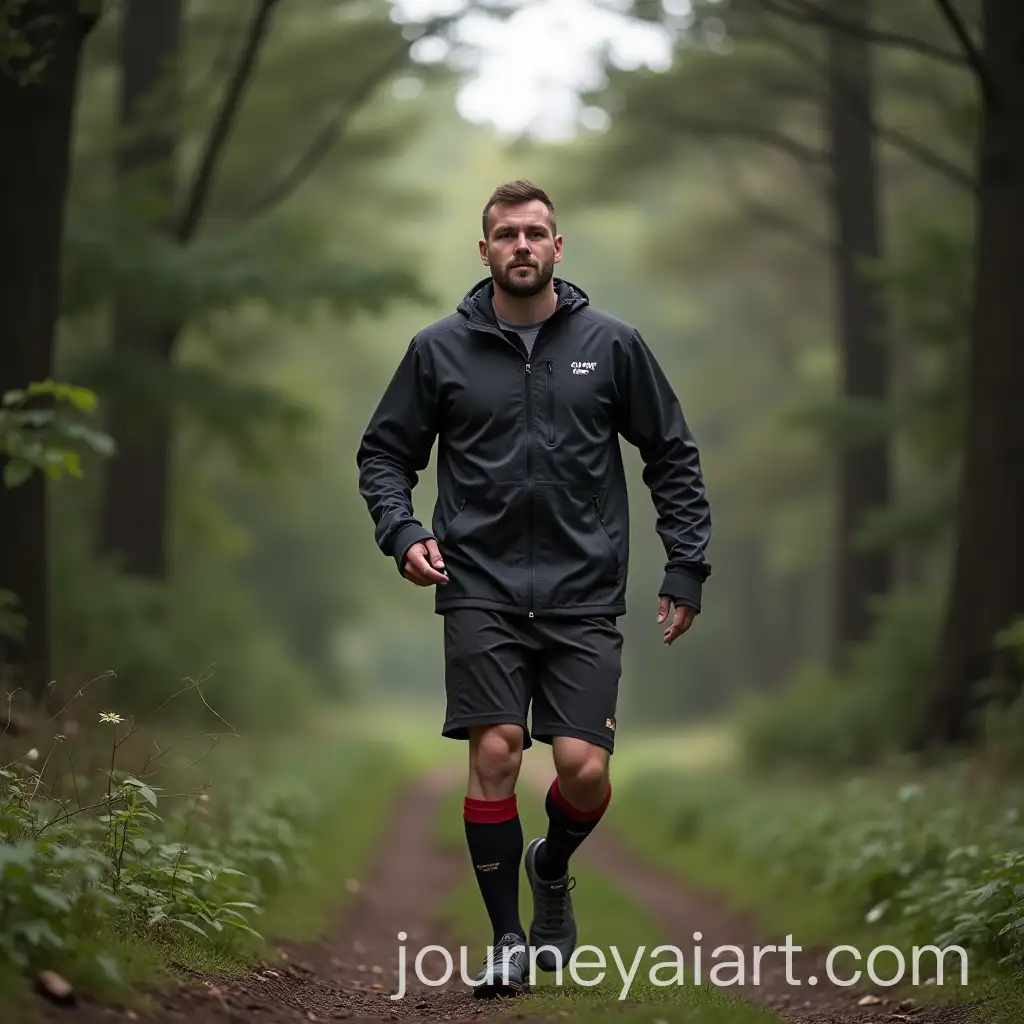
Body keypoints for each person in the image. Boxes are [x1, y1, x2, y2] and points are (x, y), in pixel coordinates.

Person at [356, 180, 711, 997]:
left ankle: (551, 865)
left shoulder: (612, 345)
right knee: (496, 751)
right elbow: (384, 455)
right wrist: (403, 533)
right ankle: (508, 940)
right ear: (484, 250)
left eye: (536, 233)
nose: (522, 245)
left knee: (583, 770)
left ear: (558, 247)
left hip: (584, 589)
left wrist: (685, 564)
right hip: (478, 585)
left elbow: (672, 454)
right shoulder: (437, 350)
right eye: (507, 234)